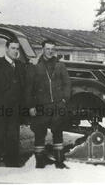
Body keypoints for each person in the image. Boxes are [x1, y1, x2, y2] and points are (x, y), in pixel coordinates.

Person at [25, 39, 71, 169]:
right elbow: (29, 88)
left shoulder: (60, 65)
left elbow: (67, 83)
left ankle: (59, 161)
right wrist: (31, 106)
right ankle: (40, 162)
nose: (50, 51)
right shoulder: (35, 65)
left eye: (52, 49)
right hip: (41, 106)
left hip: (57, 105)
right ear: (42, 50)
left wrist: (64, 99)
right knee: (40, 133)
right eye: (47, 49)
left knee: (58, 132)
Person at [0, 40, 25, 167]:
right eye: (13, 48)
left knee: (13, 136)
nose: (15, 51)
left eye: (17, 48)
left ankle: (12, 162)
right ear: (6, 49)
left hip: (14, 109)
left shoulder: (20, 66)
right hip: (0, 108)